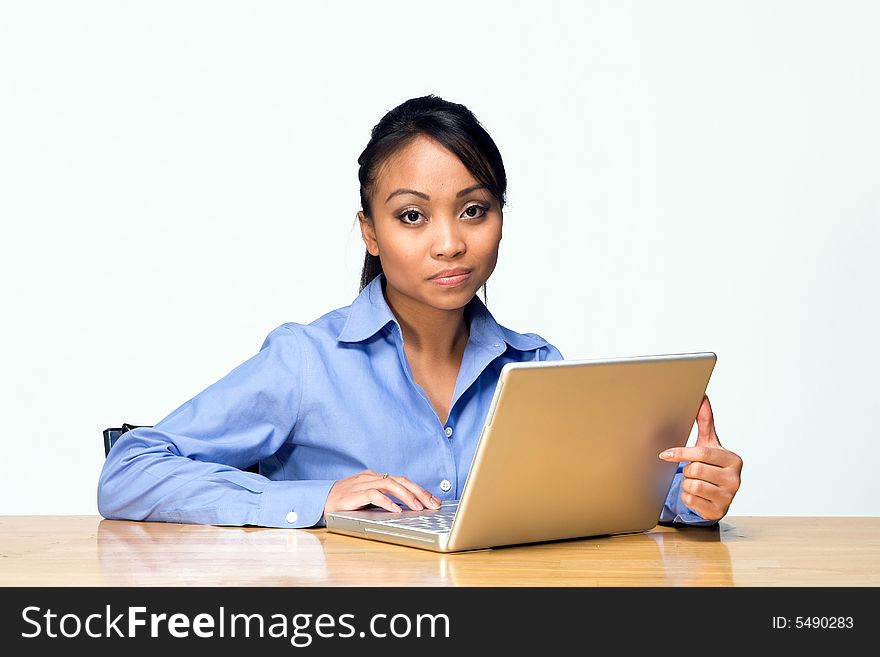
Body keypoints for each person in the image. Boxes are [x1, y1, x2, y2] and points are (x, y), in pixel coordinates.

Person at [98, 95, 743, 529]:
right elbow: (128, 472)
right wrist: (316, 500)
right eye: (412, 216)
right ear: (369, 231)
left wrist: (691, 496)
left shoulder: (537, 365)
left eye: (474, 210)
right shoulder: (307, 361)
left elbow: (592, 499)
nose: (449, 242)